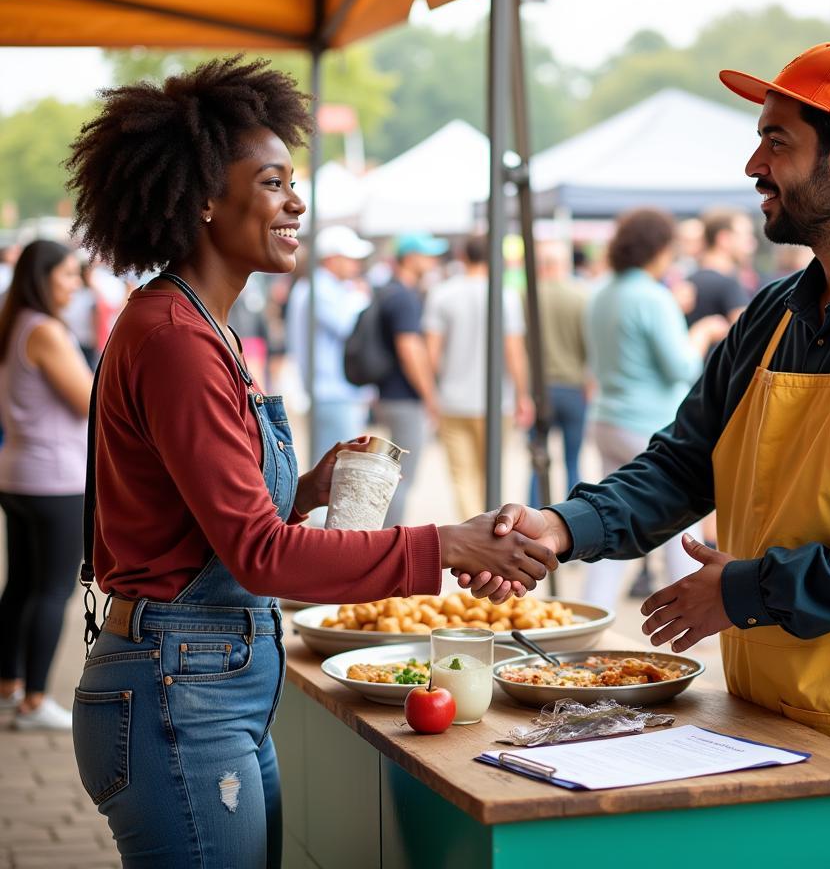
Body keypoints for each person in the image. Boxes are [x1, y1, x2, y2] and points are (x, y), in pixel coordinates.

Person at [466, 43, 830, 869]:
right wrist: (560, 526)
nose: (754, 163)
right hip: (776, 714)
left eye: (778, 141)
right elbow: (686, 463)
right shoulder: (775, 312)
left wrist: (742, 590)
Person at [64, 57, 555, 868]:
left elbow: (209, 526)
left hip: (209, 684)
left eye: (295, 181)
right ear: (202, 201)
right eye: (272, 183)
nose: (298, 202)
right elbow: (260, 557)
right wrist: (451, 545)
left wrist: (308, 486)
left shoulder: (203, 328)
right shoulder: (177, 341)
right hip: (179, 693)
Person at [580, 208, 726, 608]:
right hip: (648, 423)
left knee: (607, 519)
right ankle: (691, 611)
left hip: (607, 418)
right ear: (660, 249)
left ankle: (594, 612)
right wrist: (700, 331)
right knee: (680, 520)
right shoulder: (654, 297)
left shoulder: (602, 291)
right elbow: (681, 366)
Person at [0, 239, 92, 730]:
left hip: (17, 473)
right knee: (51, 591)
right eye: (69, 275)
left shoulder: (14, 324)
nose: (75, 284)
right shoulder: (46, 331)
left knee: (20, 586)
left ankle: (8, 685)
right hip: (54, 480)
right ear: (44, 277)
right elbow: (88, 402)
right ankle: (35, 701)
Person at [422, 235, 532, 520]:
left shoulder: (442, 293)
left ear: (462, 255)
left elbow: (431, 354)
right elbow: (514, 352)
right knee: (491, 475)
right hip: (498, 401)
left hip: (453, 400)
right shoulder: (505, 295)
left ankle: (472, 538)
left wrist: (430, 395)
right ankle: (492, 534)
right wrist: (523, 395)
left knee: (462, 477)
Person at [375, 232, 447, 525]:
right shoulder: (404, 296)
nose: (432, 261)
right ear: (411, 257)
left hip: (390, 396)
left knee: (395, 474)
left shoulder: (390, 291)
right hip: (404, 398)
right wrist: (430, 396)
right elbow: (409, 349)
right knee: (402, 478)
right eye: (427, 254)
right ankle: (391, 541)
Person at [286, 225, 375, 458]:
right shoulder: (321, 289)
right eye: (351, 258)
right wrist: (360, 297)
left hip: (332, 392)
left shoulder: (321, 287)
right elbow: (350, 325)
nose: (357, 264)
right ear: (332, 259)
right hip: (332, 392)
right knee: (337, 467)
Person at [527, 239, 589, 507]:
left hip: (538, 390)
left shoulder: (526, 296)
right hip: (574, 387)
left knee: (537, 461)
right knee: (573, 461)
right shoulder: (581, 296)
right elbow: (590, 346)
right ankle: (573, 518)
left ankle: (532, 518)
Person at [688, 209, 756, 324]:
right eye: (746, 236)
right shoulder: (728, 284)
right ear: (724, 238)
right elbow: (751, 333)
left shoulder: (689, 280)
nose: (753, 244)